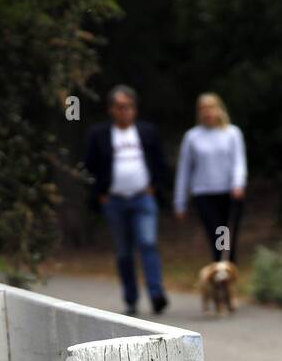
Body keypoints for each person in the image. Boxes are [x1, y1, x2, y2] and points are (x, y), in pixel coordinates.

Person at [83, 85, 169, 317]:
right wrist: (100, 193)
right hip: (115, 201)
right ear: (111, 110)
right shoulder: (99, 134)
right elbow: (88, 166)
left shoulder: (147, 132)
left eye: (129, 107)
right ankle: (131, 299)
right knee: (124, 252)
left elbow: (160, 162)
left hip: (144, 197)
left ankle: (156, 293)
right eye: (120, 107)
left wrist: (155, 187)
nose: (125, 112)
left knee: (148, 242)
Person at [174, 93, 247, 264]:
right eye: (203, 109)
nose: (207, 113)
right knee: (218, 235)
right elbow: (184, 170)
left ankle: (226, 271)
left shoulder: (232, 133)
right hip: (204, 194)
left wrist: (238, 183)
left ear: (219, 109)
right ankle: (220, 270)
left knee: (226, 238)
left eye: (211, 108)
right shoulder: (192, 137)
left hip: (228, 193)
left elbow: (239, 162)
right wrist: (180, 201)